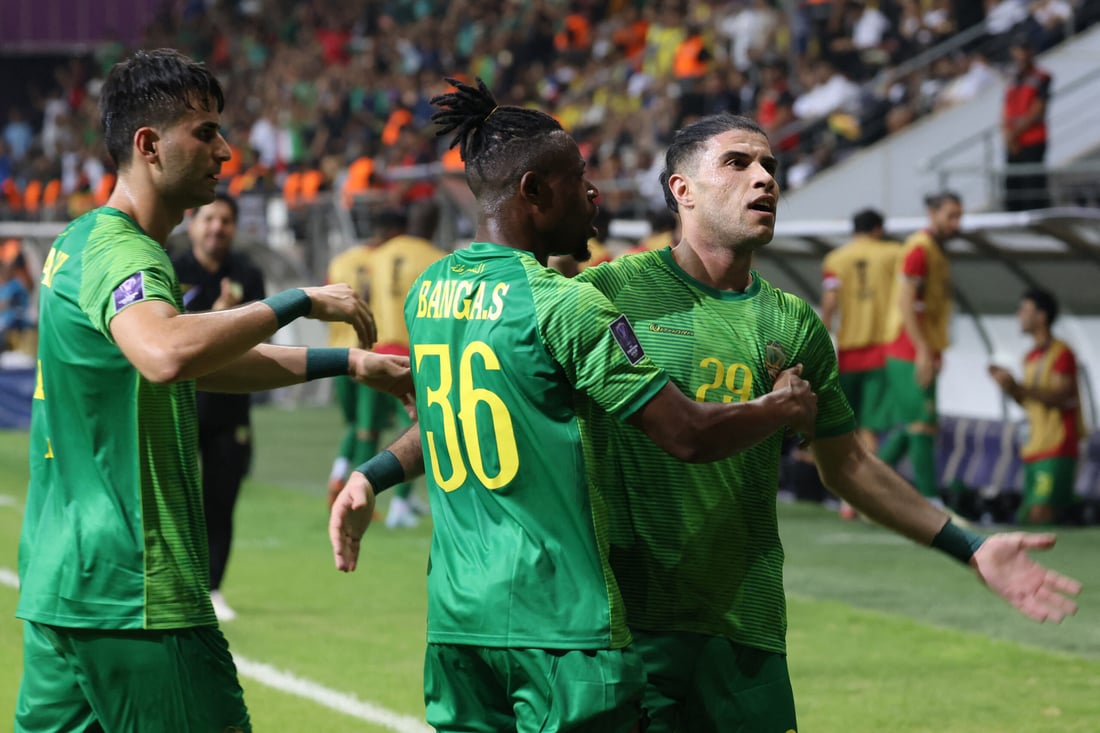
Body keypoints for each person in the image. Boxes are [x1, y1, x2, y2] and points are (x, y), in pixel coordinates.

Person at [330, 79, 819, 733]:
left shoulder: (431, 293)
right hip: (560, 623)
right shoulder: (566, 304)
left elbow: (456, 418)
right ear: (533, 192)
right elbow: (689, 434)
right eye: (578, 179)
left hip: (457, 620)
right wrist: (782, 405)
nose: (594, 194)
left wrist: (371, 473)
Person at [14, 49, 412, 733]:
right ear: (149, 145)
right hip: (135, 589)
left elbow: (195, 360)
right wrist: (299, 299)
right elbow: (167, 351)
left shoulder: (77, 241)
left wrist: (345, 365)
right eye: (204, 132)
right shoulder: (126, 253)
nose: (225, 151)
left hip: (61, 588)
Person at [172, 193, 266, 621]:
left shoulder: (248, 275)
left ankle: (213, 588)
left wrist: (234, 323)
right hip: (179, 408)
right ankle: (171, 585)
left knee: (221, 501)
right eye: (210, 218)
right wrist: (217, 318)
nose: (217, 228)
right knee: (171, 500)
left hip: (231, 411)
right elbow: (165, 340)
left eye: (225, 220)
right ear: (192, 224)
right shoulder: (172, 271)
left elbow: (264, 343)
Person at [357, 207, 445, 529]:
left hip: (377, 349)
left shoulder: (377, 255)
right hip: (414, 353)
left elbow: (363, 297)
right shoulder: (438, 258)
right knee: (423, 426)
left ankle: (359, 493)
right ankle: (401, 504)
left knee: (368, 428)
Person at [877, 191, 962, 507]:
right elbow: (905, 303)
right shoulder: (919, 249)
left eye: (959, 216)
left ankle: (859, 492)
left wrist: (934, 349)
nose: (956, 223)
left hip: (921, 345)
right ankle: (929, 500)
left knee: (914, 424)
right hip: (907, 346)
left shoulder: (935, 250)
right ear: (933, 214)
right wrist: (924, 350)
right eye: (951, 216)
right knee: (921, 423)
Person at [820, 208, 901, 518]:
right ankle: (867, 497)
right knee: (871, 429)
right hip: (882, 350)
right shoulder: (895, 253)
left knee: (849, 428)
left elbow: (830, 302)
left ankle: (850, 496)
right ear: (878, 229)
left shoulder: (835, 259)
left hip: (849, 352)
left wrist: (822, 336)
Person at [989, 288, 1084, 525]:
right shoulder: (1029, 357)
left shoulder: (1062, 353)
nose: (1018, 315)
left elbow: (1061, 397)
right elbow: (1029, 402)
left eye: (1024, 310)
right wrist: (1009, 387)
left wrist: (1019, 387)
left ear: (1041, 316)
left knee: (1040, 513)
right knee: (1029, 517)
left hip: (1057, 445)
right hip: (1034, 447)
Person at [1002, 34, 1052, 211]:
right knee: (1013, 189)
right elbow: (1006, 110)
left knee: (1033, 189)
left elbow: (1037, 111)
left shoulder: (1041, 77)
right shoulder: (1012, 78)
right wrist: (1008, 137)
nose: (1021, 55)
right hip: (1014, 143)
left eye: (1024, 50)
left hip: (1033, 140)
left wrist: (1013, 134)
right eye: (1017, 50)